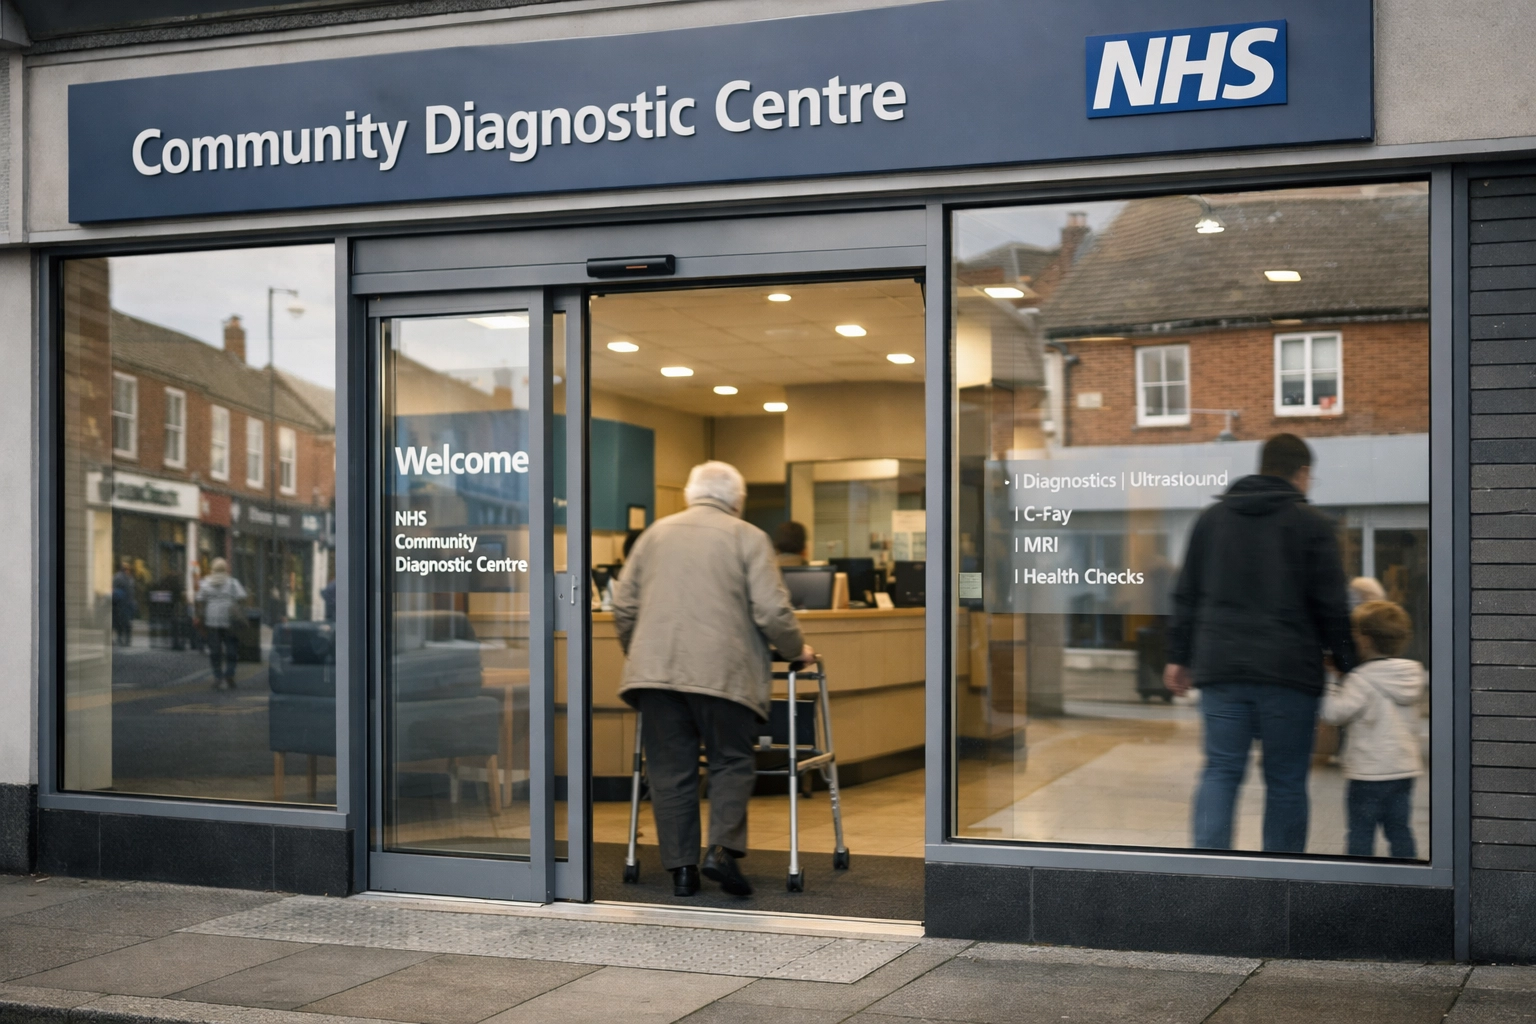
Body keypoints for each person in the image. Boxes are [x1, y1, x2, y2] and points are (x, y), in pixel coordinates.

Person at [614, 461, 814, 898]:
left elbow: (623, 607)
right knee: (731, 760)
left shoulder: (653, 535)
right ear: (737, 500)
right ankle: (721, 851)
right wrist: (796, 650)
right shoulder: (748, 537)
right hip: (725, 673)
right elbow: (771, 610)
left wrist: (645, 655)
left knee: (670, 771)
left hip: (655, 676)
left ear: (690, 494)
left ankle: (682, 870)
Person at [1165, 433, 1358, 853]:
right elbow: (1332, 604)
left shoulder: (1211, 519)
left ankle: (1209, 873)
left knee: (1220, 771)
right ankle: (1281, 879)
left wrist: (1179, 657)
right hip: (1289, 674)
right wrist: (1347, 661)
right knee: (1286, 780)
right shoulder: (1312, 525)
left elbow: (1186, 594)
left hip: (1221, 669)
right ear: (1302, 472)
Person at [1321, 600, 1424, 858]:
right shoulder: (1412, 674)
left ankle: (1359, 883)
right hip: (1403, 771)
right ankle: (1409, 878)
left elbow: (1333, 713)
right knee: (1400, 830)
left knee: (1360, 833)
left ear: (1365, 640)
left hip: (1367, 775)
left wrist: (1331, 681)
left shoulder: (1361, 679)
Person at [197, 557, 248, 691]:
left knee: (215, 650)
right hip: (229, 620)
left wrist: (200, 617)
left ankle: (217, 676)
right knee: (232, 648)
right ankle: (230, 673)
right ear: (226, 569)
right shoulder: (232, 582)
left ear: (212, 569)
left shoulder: (206, 583)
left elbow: (200, 599)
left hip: (211, 620)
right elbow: (243, 597)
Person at [110, 558, 136, 647]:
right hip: (124, 604)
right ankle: (126, 640)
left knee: (119, 623)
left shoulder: (117, 577)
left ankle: (121, 639)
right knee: (125, 623)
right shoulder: (126, 578)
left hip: (119, 604)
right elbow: (130, 592)